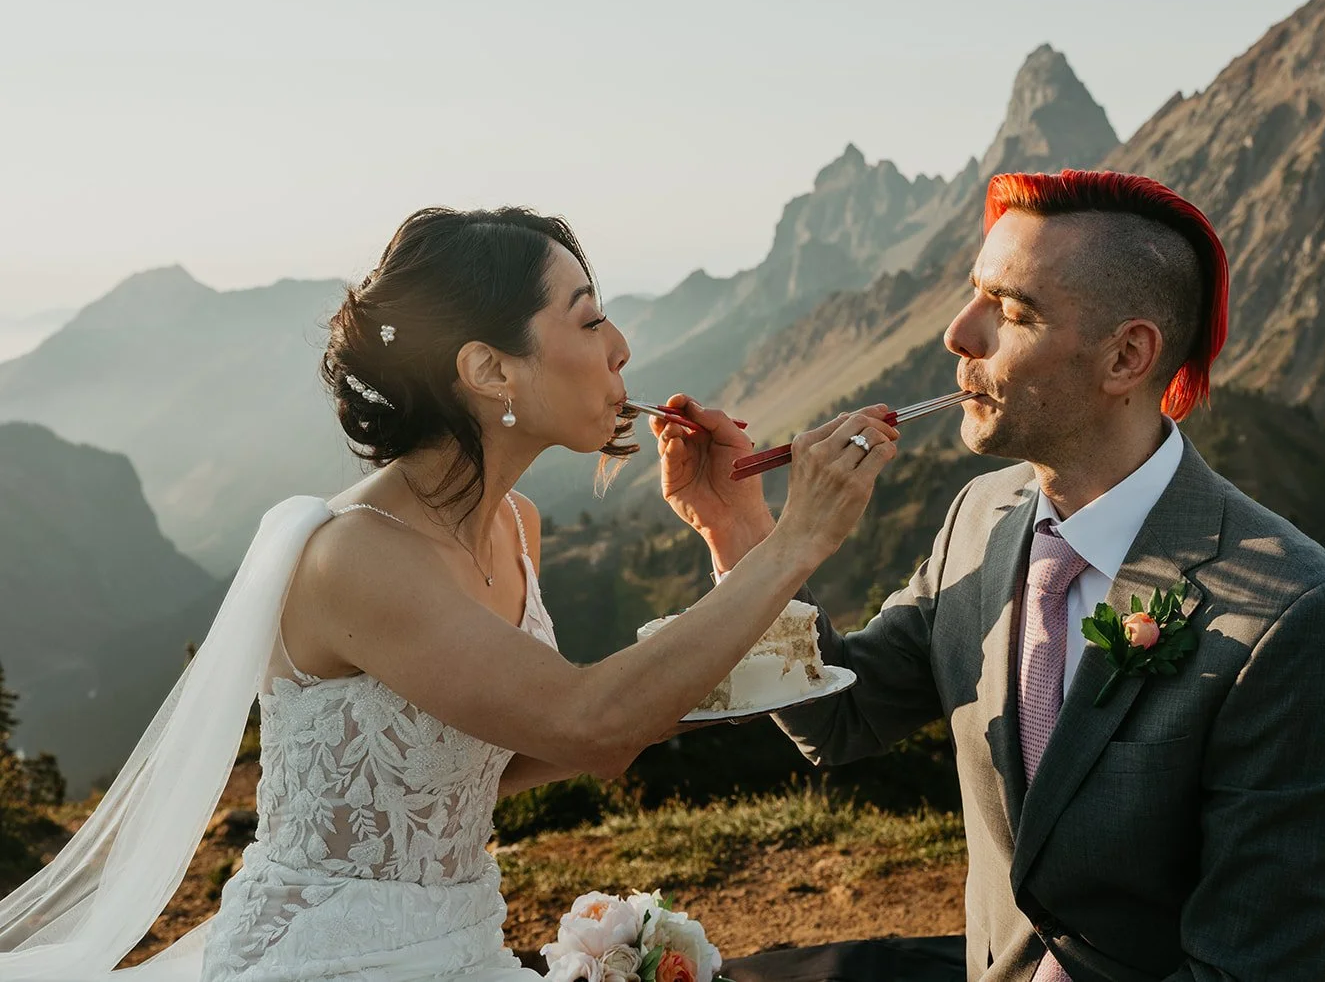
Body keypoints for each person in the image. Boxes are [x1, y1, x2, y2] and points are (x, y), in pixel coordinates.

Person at [0, 206, 901, 981]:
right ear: (489, 370)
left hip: (464, 945)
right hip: (326, 962)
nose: (622, 345)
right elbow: (589, 717)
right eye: (588, 322)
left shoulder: (515, 527)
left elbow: (554, 750)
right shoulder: (356, 556)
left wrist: (730, 540)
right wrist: (800, 539)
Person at [659, 170, 1325, 981]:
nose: (957, 334)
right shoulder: (981, 515)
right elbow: (842, 718)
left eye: (1009, 311)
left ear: (1127, 355)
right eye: (974, 295)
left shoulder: (1305, 618)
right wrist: (743, 531)